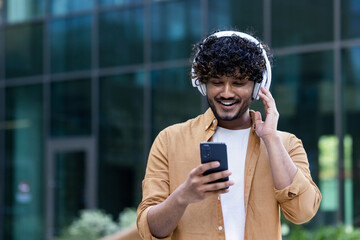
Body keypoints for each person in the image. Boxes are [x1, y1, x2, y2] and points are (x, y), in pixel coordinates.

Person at [137, 30, 321, 240]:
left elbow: (303, 213)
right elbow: (150, 231)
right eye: (216, 82)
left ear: (257, 87)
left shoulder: (286, 144)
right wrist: (183, 196)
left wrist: (271, 138)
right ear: (203, 85)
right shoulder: (169, 140)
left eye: (238, 83)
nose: (226, 92)